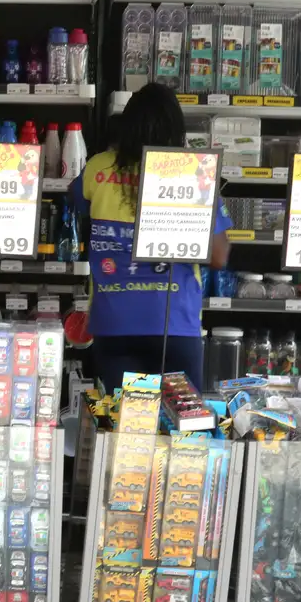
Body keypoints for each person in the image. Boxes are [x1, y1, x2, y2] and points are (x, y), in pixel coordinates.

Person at [68, 83, 231, 392]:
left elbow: (74, 199)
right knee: (181, 420)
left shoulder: (99, 167)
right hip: (174, 322)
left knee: (130, 420)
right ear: (177, 130)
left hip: (115, 322)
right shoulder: (194, 174)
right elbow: (219, 256)